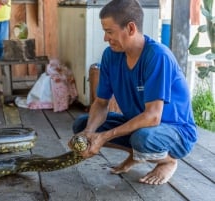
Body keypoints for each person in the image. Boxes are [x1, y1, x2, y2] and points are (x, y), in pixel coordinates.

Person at [69, 0, 197, 185]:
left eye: (109, 32)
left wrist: (103, 137)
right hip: (141, 126)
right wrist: (89, 133)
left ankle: (168, 161)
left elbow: (153, 117)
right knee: (81, 124)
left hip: (176, 132)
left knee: (142, 138)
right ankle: (136, 156)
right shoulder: (110, 55)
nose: (105, 38)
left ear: (130, 28)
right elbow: (101, 102)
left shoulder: (157, 56)